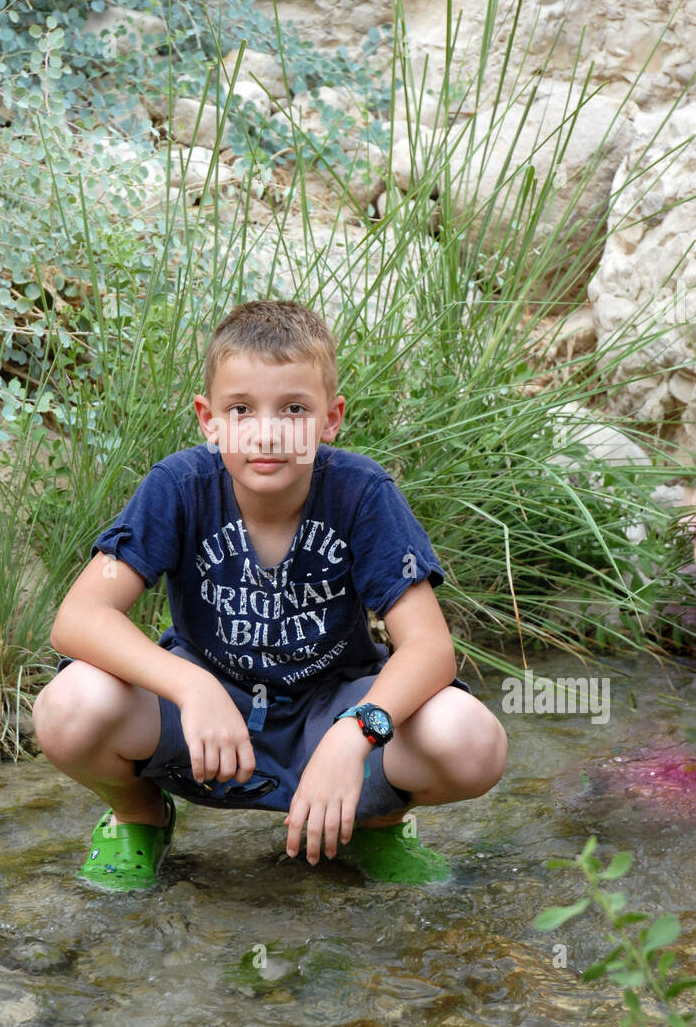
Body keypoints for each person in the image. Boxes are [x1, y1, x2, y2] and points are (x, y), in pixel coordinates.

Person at [33, 299, 507, 890]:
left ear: (330, 419)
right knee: (70, 705)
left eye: (293, 410)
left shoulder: (363, 494)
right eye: (240, 409)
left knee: (470, 738)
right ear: (209, 420)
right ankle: (138, 816)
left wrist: (356, 733)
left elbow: (431, 650)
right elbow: (78, 618)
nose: (267, 433)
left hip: (331, 712)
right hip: (206, 722)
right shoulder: (178, 487)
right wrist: (192, 684)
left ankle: (377, 820)